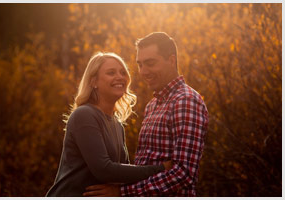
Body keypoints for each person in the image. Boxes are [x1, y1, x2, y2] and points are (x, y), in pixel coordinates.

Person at [83, 32, 209, 197]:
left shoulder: (185, 101)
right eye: (140, 65)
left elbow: (183, 173)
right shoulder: (152, 105)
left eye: (150, 63)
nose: (143, 71)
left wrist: (122, 192)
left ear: (171, 60)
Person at [46, 52, 172, 197]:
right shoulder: (84, 115)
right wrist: (160, 169)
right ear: (93, 81)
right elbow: (104, 170)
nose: (120, 77)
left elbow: (123, 173)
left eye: (123, 72)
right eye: (111, 73)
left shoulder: (117, 124)